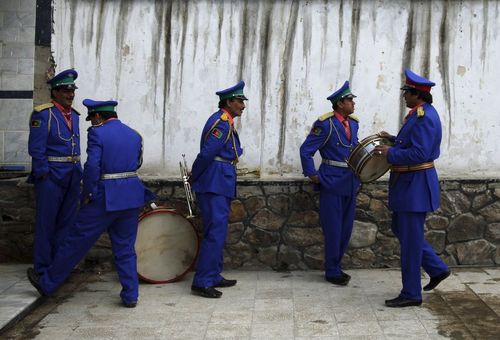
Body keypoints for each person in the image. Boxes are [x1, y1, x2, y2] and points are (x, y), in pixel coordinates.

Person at [27, 99, 153, 308]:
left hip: (104, 195)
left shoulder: (97, 133)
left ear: (97, 116)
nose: (92, 123)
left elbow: (93, 167)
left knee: (75, 241)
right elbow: (137, 163)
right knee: (125, 247)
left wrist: (88, 193)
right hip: (131, 196)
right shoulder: (134, 134)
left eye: (92, 119)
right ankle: (131, 294)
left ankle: (47, 284)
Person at [374, 69, 450, 308]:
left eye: (407, 92)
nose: (404, 96)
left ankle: (411, 293)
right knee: (403, 230)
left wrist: (390, 153)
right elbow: (413, 143)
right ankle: (437, 268)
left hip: (415, 187)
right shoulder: (418, 114)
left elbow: (420, 153)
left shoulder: (425, 117)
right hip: (408, 186)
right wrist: (394, 140)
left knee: (409, 241)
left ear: (418, 94)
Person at [299, 81, 360, 286]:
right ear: (340, 103)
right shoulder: (325, 124)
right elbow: (306, 150)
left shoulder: (354, 123)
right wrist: (312, 174)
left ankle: (337, 265)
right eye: (350, 100)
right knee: (333, 229)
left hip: (350, 181)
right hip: (332, 181)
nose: (353, 103)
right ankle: (332, 270)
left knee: (346, 229)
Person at [189, 81, 246, 298]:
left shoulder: (226, 122)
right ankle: (202, 281)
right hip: (215, 181)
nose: (243, 105)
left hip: (220, 180)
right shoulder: (221, 123)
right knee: (215, 232)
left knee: (218, 231)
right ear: (229, 102)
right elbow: (206, 154)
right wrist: (196, 176)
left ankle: (213, 275)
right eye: (239, 101)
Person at [28, 69, 82, 274]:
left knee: (67, 224)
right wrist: (43, 174)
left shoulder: (75, 116)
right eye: (66, 91)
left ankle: (60, 266)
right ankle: (42, 268)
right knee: (46, 224)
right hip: (51, 176)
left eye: (72, 91)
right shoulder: (43, 113)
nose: (71, 95)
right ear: (55, 92)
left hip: (73, 175)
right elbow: (36, 148)